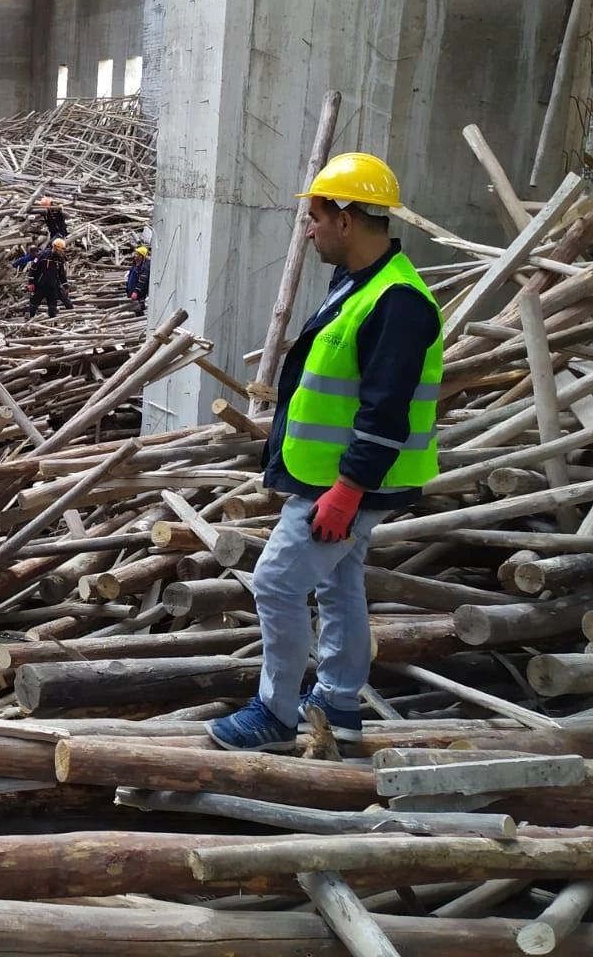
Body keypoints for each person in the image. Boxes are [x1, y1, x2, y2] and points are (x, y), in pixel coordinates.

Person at [206, 153, 442, 753]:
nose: (307, 230)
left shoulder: (398, 301)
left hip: (344, 484)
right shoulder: (358, 286)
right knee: (340, 587)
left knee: (276, 584)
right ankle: (338, 702)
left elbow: (384, 410)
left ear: (345, 217)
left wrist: (348, 489)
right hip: (333, 476)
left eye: (313, 217)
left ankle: (276, 712)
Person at [27, 237, 72, 318]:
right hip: (41, 285)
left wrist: (66, 286)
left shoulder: (59, 259)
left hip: (53, 285)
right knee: (34, 303)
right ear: (55, 248)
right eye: (59, 251)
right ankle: (29, 319)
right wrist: (31, 283)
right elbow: (33, 269)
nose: (61, 253)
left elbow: (62, 274)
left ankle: (52, 321)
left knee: (52, 306)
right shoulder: (42, 256)